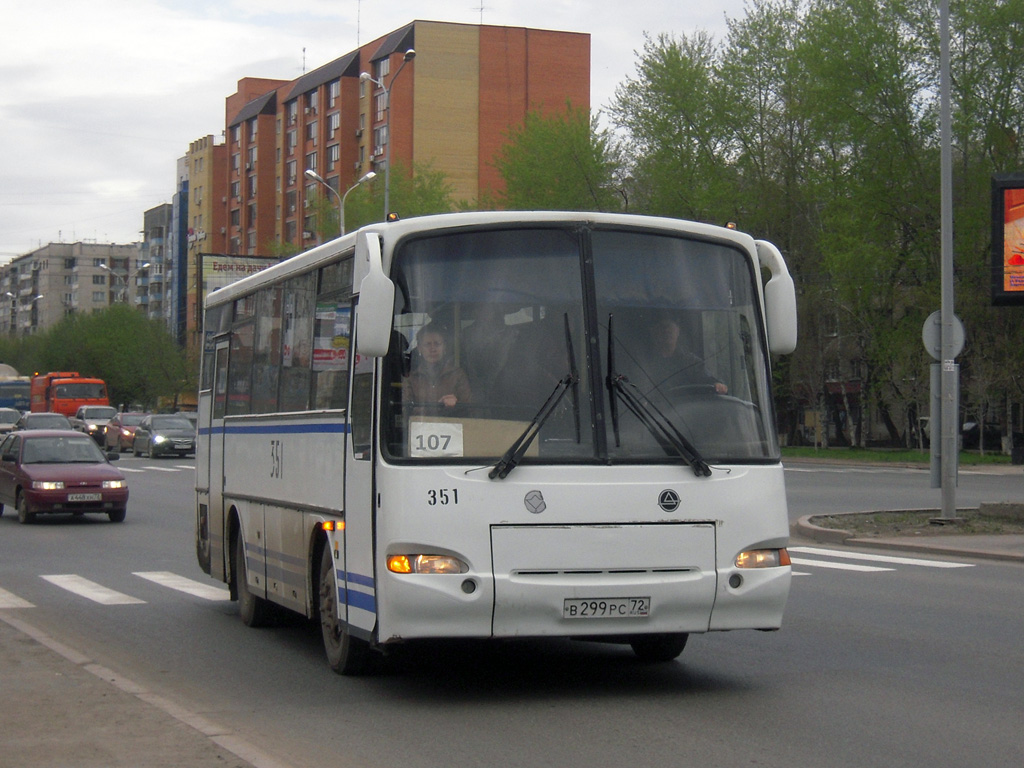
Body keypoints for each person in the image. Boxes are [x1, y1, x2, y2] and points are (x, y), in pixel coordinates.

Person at [637, 313, 727, 394]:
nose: (667, 331)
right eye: (662, 327)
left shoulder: (690, 362)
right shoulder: (645, 363)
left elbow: (707, 379)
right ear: (653, 332)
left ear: (678, 331)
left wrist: (717, 385)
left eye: (670, 327)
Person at [403, 323, 471, 408]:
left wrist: (456, 404)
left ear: (444, 347)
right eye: (427, 344)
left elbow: (469, 409)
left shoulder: (458, 375)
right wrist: (438, 406)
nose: (433, 349)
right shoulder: (411, 377)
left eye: (437, 344)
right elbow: (405, 410)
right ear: (419, 348)